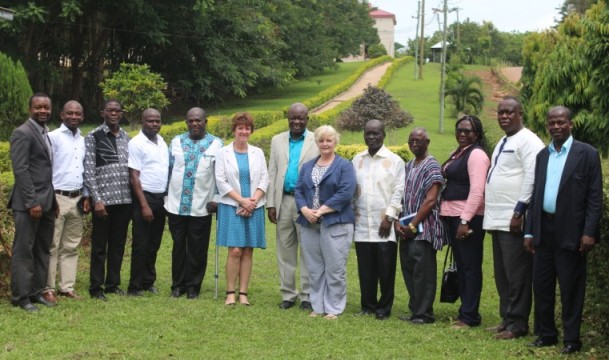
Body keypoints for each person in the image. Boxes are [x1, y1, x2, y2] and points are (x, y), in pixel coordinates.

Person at [524, 106, 602, 354]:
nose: (556, 127)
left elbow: (594, 197)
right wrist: (529, 231)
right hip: (543, 229)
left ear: (570, 124)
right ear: (547, 125)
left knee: (571, 287)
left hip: (572, 230)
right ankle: (546, 334)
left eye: (561, 122)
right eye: (551, 123)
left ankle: (572, 339)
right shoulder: (542, 156)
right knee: (542, 285)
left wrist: (589, 232)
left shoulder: (587, 154)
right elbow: (536, 195)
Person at [483, 96, 544, 339]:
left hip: (514, 220)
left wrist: (519, 211)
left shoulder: (529, 141)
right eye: (501, 112)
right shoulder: (503, 140)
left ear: (521, 114)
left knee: (517, 275)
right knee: (503, 274)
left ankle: (518, 325)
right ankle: (506, 319)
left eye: (509, 112)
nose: (504, 116)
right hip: (497, 219)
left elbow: (532, 177)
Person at [295, 125, 356, 319]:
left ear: (335, 142)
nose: (325, 144)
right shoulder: (308, 166)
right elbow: (298, 190)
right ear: (317, 142)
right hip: (309, 224)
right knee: (315, 268)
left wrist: (321, 211)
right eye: (321, 140)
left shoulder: (345, 165)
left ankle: (334, 308)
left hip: (335, 223)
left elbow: (346, 192)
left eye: (329, 140)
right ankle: (318, 305)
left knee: (335, 268)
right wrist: (305, 210)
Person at [166, 107, 223, 299]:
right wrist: (166, 197)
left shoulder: (216, 144)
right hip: (176, 205)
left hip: (202, 205)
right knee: (178, 246)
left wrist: (216, 199)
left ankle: (193, 286)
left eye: (198, 120)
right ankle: (177, 284)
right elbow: (169, 170)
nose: (194, 124)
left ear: (205, 122)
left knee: (198, 248)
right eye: (191, 121)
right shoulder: (176, 142)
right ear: (186, 122)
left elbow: (220, 175)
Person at [8, 93, 58, 312]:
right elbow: (21, 170)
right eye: (38, 107)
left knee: (42, 250)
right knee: (24, 251)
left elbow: (46, 171)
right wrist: (32, 202)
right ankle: (21, 297)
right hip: (29, 204)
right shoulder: (22, 133)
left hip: (46, 202)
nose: (43, 111)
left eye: (46, 107)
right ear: (30, 109)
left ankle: (36, 292)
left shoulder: (45, 133)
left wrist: (52, 200)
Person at [267, 102, 319, 310]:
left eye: (301, 118)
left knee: (307, 248)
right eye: (293, 117)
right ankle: (288, 294)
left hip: (307, 203)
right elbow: (272, 172)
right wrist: (271, 203)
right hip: (284, 201)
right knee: (285, 249)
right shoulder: (277, 140)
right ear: (287, 118)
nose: (296, 121)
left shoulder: (316, 140)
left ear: (307, 119)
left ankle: (307, 295)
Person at [440, 115, 490, 329]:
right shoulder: (460, 152)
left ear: (476, 134)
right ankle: (465, 311)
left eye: (467, 131)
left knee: (470, 267)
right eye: (459, 129)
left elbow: (477, 191)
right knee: (462, 265)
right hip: (453, 216)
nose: (462, 133)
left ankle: (470, 316)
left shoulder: (477, 155)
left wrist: (464, 220)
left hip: (467, 219)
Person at [352, 119, 405, 320]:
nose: (371, 137)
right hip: (362, 224)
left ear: (383, 135)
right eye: (368, 133)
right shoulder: (357, 160)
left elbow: (398, 191)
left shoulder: (395, 161)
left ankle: (384, 308)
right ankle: (368, 305)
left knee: (386, 269)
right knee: (365, 269)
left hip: (385, 225)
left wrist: (389, 217)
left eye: (376, 133)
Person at [215, 112, 269, 306]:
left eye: (247, 128)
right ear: (234, 130)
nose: (244, 131)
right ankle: (230, 292)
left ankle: (243, 293)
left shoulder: (258, 152)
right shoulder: (223, 153)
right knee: (235, 250)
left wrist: (252, 201)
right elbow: (220, 181)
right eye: (240, 128)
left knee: (247, 251)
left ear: (251, 131)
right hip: (232, 206)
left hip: (254, 206)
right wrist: (241, 201)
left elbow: (264, 178)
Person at [395, 128, 446, 324]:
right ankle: (415, 309)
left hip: (424, 228)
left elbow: (431, 200)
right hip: (406, 227)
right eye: (411, 141)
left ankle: (424, 314)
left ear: (428, 142)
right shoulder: (408, 165)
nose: (414, 144)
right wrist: (400, 223)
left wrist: (413, 225)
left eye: (419, 140)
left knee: (423, 272)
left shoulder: (432, 165)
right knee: (409, 269)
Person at [84, 99, 132, 301]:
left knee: (118, 244)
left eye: (117, 111)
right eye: (110, 110)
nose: (113, 113)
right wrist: (97, 199)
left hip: (124, 200)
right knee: (99, 246)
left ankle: (113, 284)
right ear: (102, 112)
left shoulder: (126, 137)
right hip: (104, 201)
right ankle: (96, 288)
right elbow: (88, 170)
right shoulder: (93, 136)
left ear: (121, 114)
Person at [44, 100, 91, 302]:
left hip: (78, 198)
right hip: (57, 198)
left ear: (82, 116)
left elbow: (85, 169)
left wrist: (87, 195)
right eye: (70, 113)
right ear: (62, 115)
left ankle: (67, 287)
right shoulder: (52, 137)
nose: (74, 116)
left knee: (71, 245)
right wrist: (49, 198)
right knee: (51, 245)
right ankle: (47, 288)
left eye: (77, 113)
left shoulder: (83, 139)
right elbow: (45, 169)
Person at [127, 109, 169, 296]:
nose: (154, 124)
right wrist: (144, 205)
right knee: (141, 244)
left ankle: (147, 281)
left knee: (154, 243)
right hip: (144, 198)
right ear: (142, 122)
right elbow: (134, 177)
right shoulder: (136, 143)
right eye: (150, 121)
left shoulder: (161, 142)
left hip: (160, 199)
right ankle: (134, 286)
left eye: (157, 121)